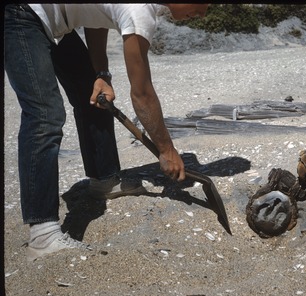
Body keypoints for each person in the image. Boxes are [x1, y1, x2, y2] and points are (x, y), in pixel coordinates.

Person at [4, 3, 209, 261]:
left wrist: (101, 74)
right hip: (21, 12)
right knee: (45, 115)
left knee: (93, 94)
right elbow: (142, 94)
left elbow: (96, 16)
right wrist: (167, 149)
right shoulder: (140, 11)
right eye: (205, 4)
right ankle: (43, 234)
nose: (204, 12)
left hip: (53, 21)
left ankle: (104, 181)